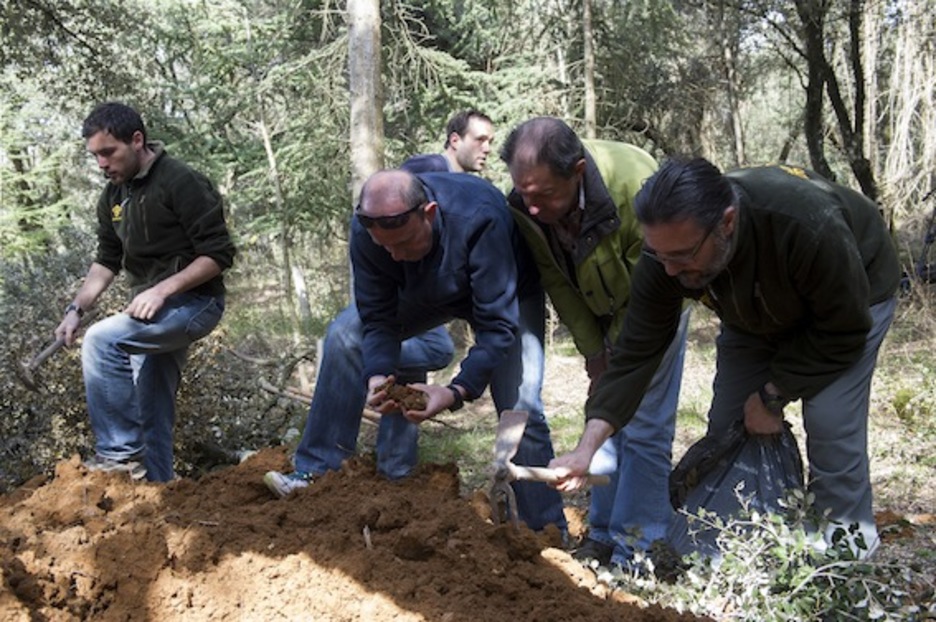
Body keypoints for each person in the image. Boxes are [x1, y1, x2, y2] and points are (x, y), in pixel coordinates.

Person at [549, 157, 901, 558]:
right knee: (729, 427)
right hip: (750, 310)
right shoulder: (668, 253)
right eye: (660, 256)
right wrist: (587, 449)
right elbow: (635, 355)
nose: (669, 271)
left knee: (829, 422)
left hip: (851, 305)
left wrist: (773, 394)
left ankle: (845, 552)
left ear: (727, 222)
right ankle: (742, 551)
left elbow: (844, 329)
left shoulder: (805, 224)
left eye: (681, 256)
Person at [264, 169, 567, 533]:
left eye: (405, 242)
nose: (395, 254)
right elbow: (378, 317)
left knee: (520, 405)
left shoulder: (479, 218)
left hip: (505, 292)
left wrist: (455, 392)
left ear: (430, 213)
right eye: (386, 247)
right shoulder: (368, 232)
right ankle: (315, 471)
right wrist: (378, 375)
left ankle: (544, 532)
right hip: (425, 289)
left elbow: (498, 327)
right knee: (345, 333)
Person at [500, 117, 690, 568]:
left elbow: (652, 285)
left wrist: (621, 359)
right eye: (525, 195)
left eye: (545, 195)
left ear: (578, 171)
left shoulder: (634, 185)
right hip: (599, 308)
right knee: (601, 415)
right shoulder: (525, 205)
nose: (532, 207)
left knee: (644, 426)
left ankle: (639, 546)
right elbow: (556, 280)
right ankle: (602, 535)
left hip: (657, 308)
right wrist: (594, 353)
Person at [55, 102, 236, 482]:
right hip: (150, 313)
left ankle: (119, 456)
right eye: (95, 156)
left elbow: (218, 254)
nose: (102, 164)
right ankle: (157, 493)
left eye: (109, 152)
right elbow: (107, 261)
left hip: (195, 304)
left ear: (136, 140)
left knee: (102, 341)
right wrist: (76, 309)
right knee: (150, 409)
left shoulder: (180, 181)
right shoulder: (112, 197)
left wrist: (161, 290)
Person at [400, 109, 494, 174]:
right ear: (455, 141)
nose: (487, 149)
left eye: (490, 142)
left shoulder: (465, 186)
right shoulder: (427, 167)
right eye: (480, 139)